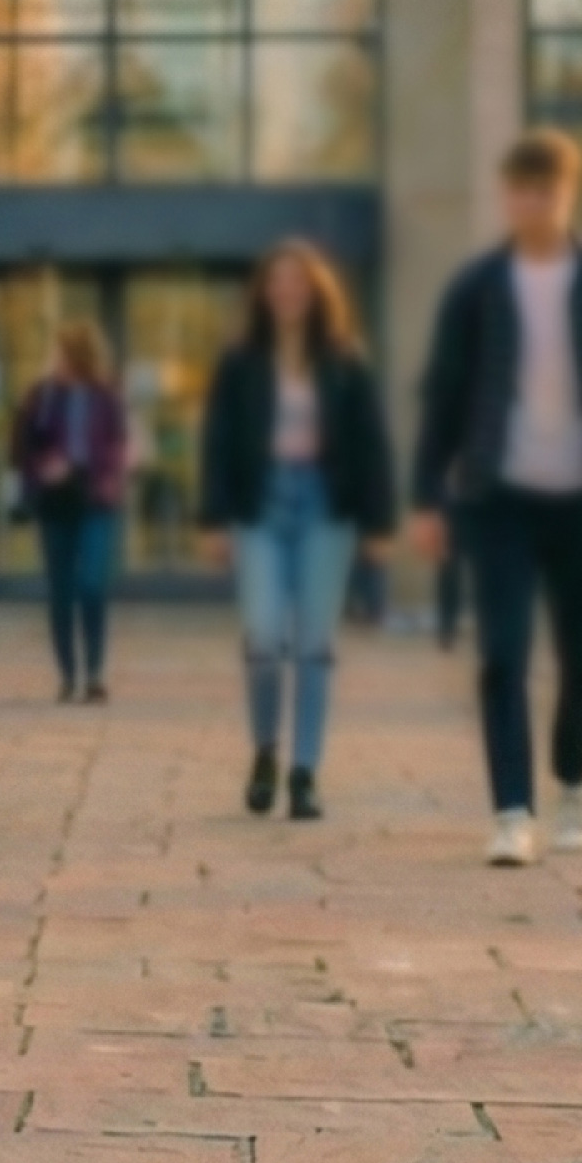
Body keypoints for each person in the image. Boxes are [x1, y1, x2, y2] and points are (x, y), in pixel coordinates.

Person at [407, 129, 582, 870]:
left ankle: (574, 788)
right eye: (520, 190)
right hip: (499, 499)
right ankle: (512, 812)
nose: (532, 203)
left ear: (567, 192)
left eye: (545, 190)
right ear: (506, 195)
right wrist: (428, 494)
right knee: (502, 656)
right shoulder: (479, 286)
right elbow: (444, 394)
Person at [197, 239, 400, 822]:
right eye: (276, 281)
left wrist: (379, 522)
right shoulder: (240, 363)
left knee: (314, 643)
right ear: (264, 292)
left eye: (299, 282)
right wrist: (213, 517)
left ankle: (304, 772)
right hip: (260, 507)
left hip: (323, 508)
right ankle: (265, 749)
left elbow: (373, 445)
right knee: (263, 638)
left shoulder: (345, 361)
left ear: (317, 292)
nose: (287, 291)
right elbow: (217, 443)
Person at [10, 322, 130, 704]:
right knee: (60, 589)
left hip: (95, 499)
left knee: (92, 584)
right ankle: (67, 675)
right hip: (55, 502)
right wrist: (44, 468)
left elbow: (118, 444)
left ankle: (94, 673)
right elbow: (21, 446)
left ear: (78, 356)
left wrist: (91, 470)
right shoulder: (42, 395)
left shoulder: (105, 396)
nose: (54, 360)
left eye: (60, 353)